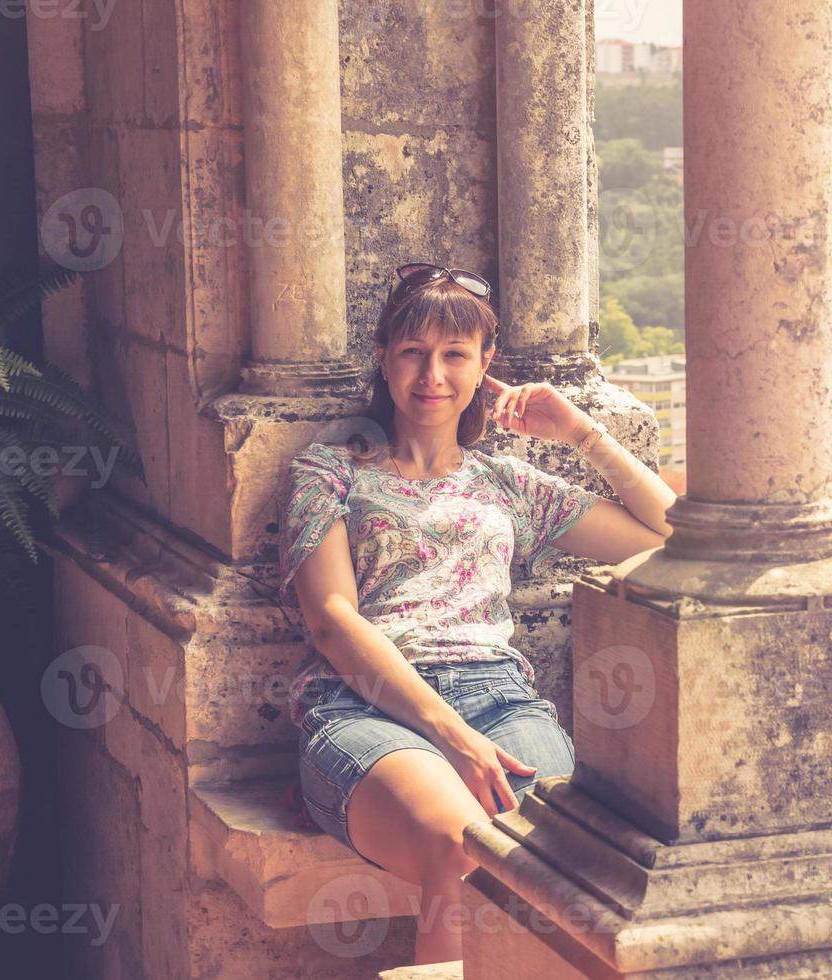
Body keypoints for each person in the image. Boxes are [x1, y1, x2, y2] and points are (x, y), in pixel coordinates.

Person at [278, 263, 676, 965]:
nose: (432, 374)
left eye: (454, 354)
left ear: (485, 365)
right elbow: (332, 621)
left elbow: (670, 535)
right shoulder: (331, 471)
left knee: (566, 862)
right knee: (465, 850)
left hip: (499, 700)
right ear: (384, 358)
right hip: (365, 706)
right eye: (412, 352)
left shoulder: (508, 484)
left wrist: (581, 433)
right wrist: (452, 734)